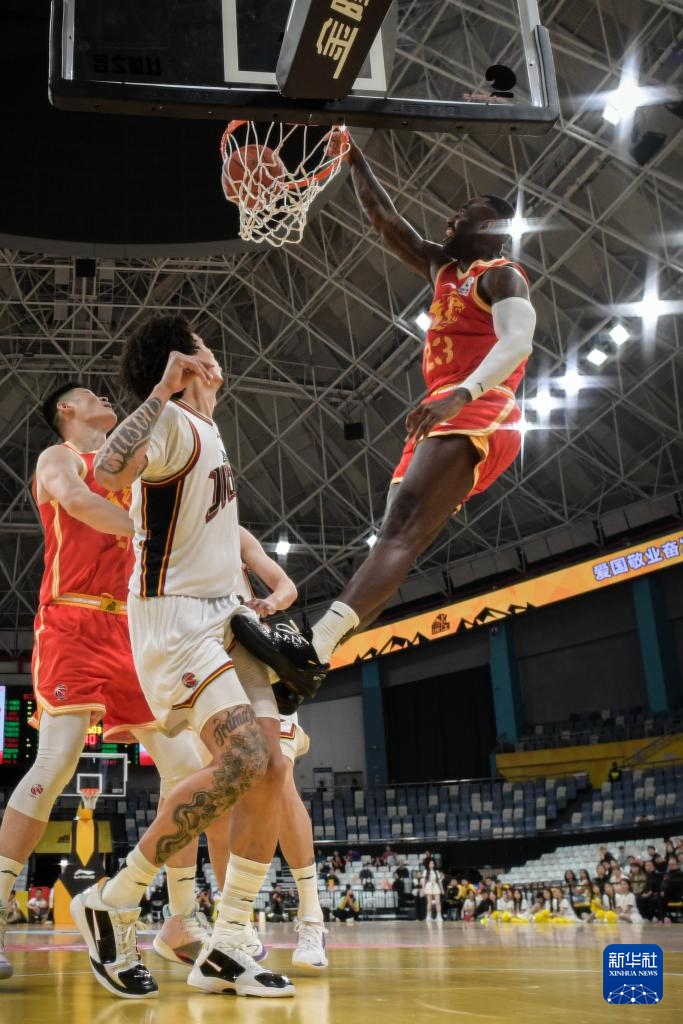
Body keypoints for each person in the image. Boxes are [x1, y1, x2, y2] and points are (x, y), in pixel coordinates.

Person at [232, 135, 536, 693]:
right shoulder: (444, 270)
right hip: (444, 408)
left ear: (493, 226)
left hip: (480, 403)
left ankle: (312, 647)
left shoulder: (501, 274)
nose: (451, 217)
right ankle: (315, 656)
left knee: (401, 528)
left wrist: (462, 393)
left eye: (465, 211)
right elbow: (387, 222)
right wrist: (353, 158)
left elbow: (518, 343)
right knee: (397, 536)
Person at [69, 318, 297, 999]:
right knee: (244, 759)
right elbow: (108, 470)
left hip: (224, 618)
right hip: (178, 621)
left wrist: (260, 592)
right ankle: (113, 899)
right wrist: (162, 392)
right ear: (185, 362)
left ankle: (228, 944)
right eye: (203, 344)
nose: (214, 352)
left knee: (271, 766)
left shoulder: (205, 428)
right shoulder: (168, 420)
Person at [0, 382, 229, 983]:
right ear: (66, 410)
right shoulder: (59, 458)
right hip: (73, 619)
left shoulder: (134, 467)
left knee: (187, 764)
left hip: (133, 628)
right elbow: (77, 502)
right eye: (91, 394)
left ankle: (180, 920)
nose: (105, 397)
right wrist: (145, 529)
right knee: (55, 762)